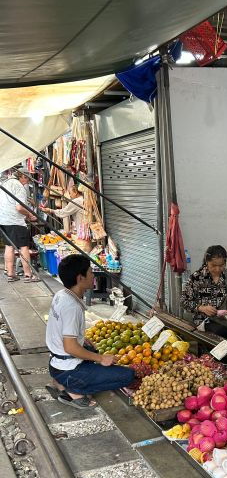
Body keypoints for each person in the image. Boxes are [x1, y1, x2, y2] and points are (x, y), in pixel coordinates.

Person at [46, 254, 134, 409]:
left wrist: (82, 339)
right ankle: (73, 391)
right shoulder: (71, 307)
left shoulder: (62, 294)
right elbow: (70, 348)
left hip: (57, 362)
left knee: (90, 348)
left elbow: (62, 331)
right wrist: (101, 358)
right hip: (68, 368)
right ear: (80, 278)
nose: (93, 275)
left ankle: (59, 382)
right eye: (90, 272)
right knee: (127, 376)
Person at [0, 168, 39, 282]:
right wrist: (30, 215)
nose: (27, 182)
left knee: (9, 246)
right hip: (15, 221)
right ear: (23, 176)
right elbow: (19, 208)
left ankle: (11, 274)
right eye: (27, 179)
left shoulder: (5, 183)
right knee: (24, 247)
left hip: (3, 219)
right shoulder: (19, 187)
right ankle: (28, 275)